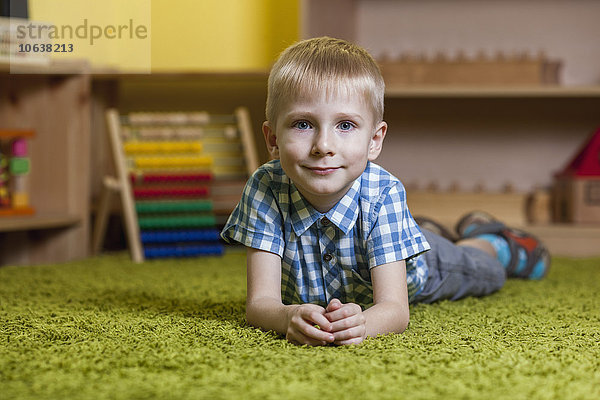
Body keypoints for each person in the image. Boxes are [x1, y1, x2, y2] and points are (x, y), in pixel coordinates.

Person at [221, 37, 550, 346]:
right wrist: (287, 315)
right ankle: (425, 229)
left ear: (374, 140)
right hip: (383, 242)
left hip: (427, 270)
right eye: (303, 124)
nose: (323, 146)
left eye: (345, 125)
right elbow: (261, 304)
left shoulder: (383, 192)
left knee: (484, 272)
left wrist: (363, 323)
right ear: (273, 140)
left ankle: (494, 241)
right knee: (417, 239)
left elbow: (395, 310)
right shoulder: (264, 187)